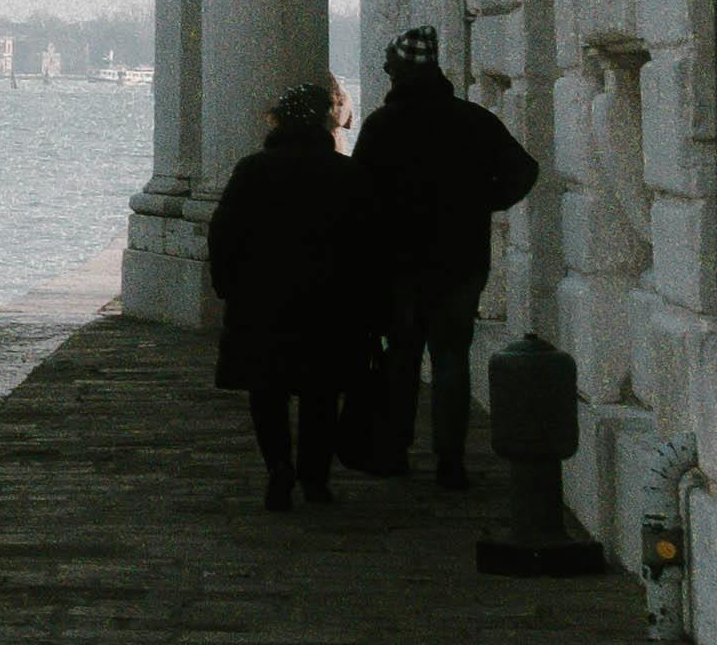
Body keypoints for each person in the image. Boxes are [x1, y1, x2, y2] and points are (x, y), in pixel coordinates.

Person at [348, 25, 540, 485]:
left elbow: (358, 197)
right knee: (452, 357)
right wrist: (483, 201)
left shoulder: (382, 126)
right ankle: (450, 460)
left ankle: (396, 450)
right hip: (461, 261)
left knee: (402, 356)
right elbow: (523, 170)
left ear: (398, 72)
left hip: (399, 264)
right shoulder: (472, 120)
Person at [206, 78, 376, 510]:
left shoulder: (252, 170)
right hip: (329, 303)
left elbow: (224, 233)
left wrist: (227, 284)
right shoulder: (346, 174)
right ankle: (315, 478)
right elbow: (368, 244)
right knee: (322, 392)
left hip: (262, 300)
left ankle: (278, 467)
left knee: (267, 389)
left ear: (278, 121)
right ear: (324, 122)